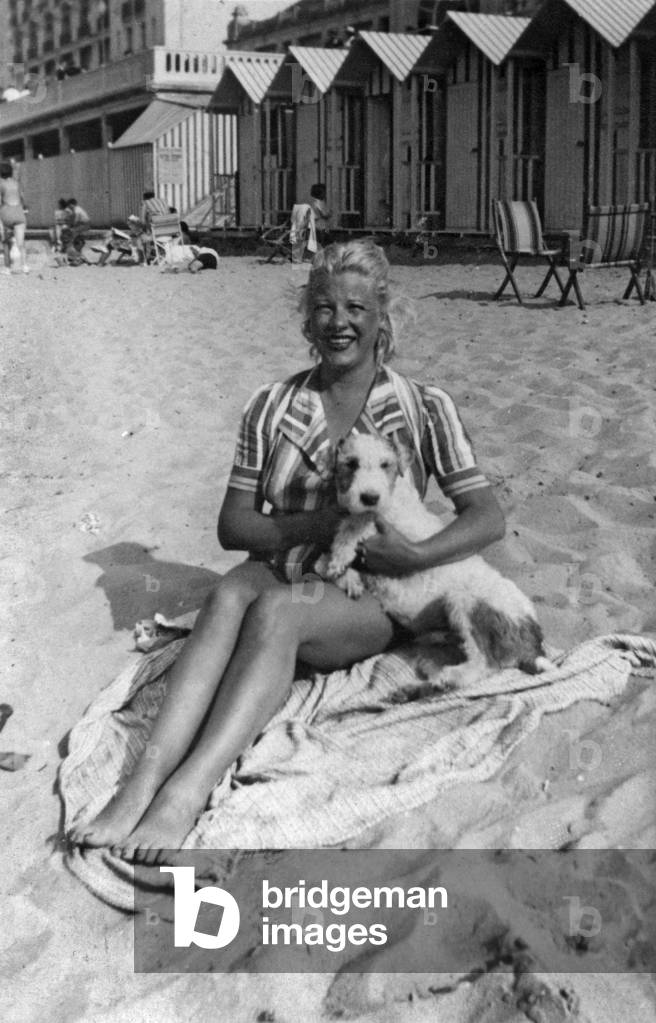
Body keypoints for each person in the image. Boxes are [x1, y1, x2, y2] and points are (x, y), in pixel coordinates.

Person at [69, 239, 504, 861]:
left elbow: (488, 516)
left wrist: (416, 556)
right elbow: (233, 527)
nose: (339, 323)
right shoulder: (271, 406)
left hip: (372, 588)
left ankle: (186, 792)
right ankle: (142, 781)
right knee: (228, 591)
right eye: (324, 308)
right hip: (288, 567)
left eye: (356, 308)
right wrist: (324, 521)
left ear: (384, 316)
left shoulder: (422, 407)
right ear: (307, 318)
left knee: (278, 611)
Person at [0, 161, 29, 274]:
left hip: (6, 213)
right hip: (18, 212)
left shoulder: (0, 183)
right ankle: (24, 266)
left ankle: (8, 268)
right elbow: (23, 199)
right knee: (21, 243)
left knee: (5, 242)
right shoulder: (16, 183)